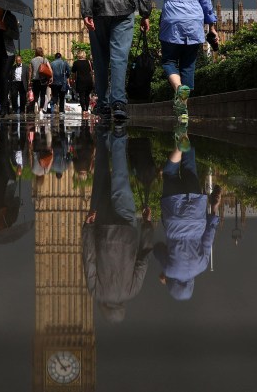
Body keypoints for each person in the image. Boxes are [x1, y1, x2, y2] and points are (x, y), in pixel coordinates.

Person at [81, 123, 154, 323]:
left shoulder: (132, 291)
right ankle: (103, 136)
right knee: (103, 178)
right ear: (105, 309)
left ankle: (119, 136)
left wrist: (147, 225)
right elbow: (89, 258)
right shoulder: (97, 293)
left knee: (121, 179)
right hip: (103, 230)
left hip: (127, 231)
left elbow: (143, 259)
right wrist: (87, 228)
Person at [150, 0, 217, 122]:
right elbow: (206, 1)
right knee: (188, 65)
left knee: (169, 61)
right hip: (195, 22)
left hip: (172, 20)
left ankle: (178, 89)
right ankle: (184, 110)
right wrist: (212, 26)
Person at [153, 135, 222, 301]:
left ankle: (186, 135)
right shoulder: (170, 270)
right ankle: (179, 146)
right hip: (174, 212)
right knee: (170, 174)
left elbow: (209, 237)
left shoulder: (202, 266)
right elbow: (157, 248)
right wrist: (165, 274)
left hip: (196, 210)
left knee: (190, 169)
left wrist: (214, 209)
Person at [70, 50, 94, 116]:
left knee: (81, 96)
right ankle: (86, 109)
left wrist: (73, 80)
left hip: (80, 81)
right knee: (87, 95)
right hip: (88, 80)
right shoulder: (89, 62)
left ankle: (83, 110)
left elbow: (73, 73)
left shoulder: (76, 63)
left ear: (78, 55)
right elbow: (92, 72)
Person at [29, 47, 51, 115]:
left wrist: (29, 80)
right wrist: (51, 77)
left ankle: (36, 103)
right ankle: (41, 110)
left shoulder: (32, 60)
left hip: (35, 80)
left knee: (36, 94)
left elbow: (30, 71)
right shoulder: (45, 59)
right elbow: (50, 69)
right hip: (43, 80)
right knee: (42, 95)